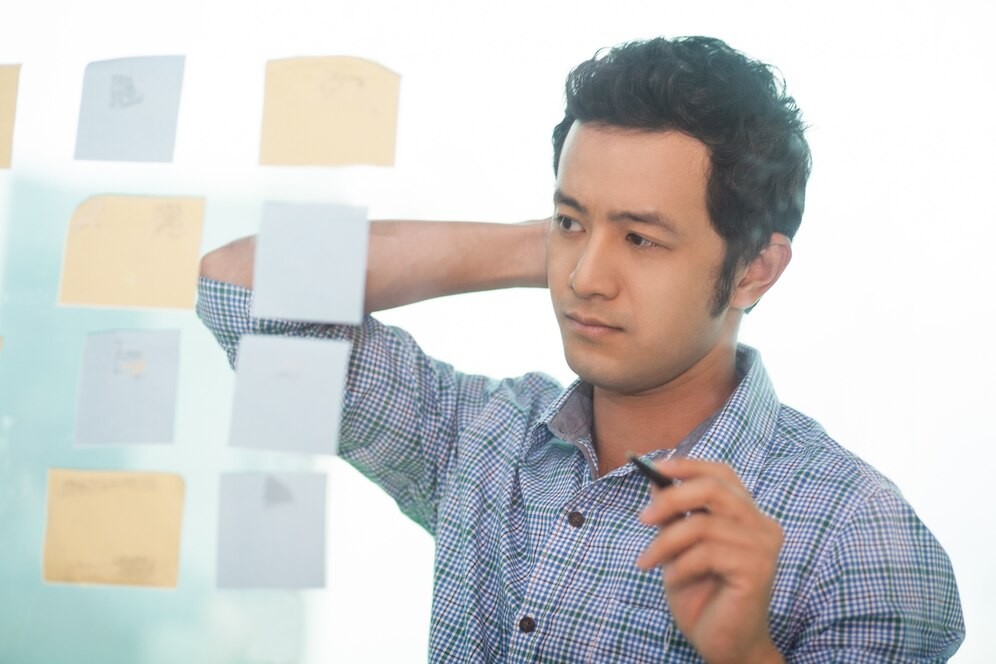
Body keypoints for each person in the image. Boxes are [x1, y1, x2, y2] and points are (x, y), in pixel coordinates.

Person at [198, 36, 964, 662]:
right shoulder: (484, 440)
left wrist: (746, 654)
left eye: (642, 237)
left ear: (753, 269)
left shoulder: (863, 539)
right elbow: (238, 285)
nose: (587, 279)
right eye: (569, 222)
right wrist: (563, 246)